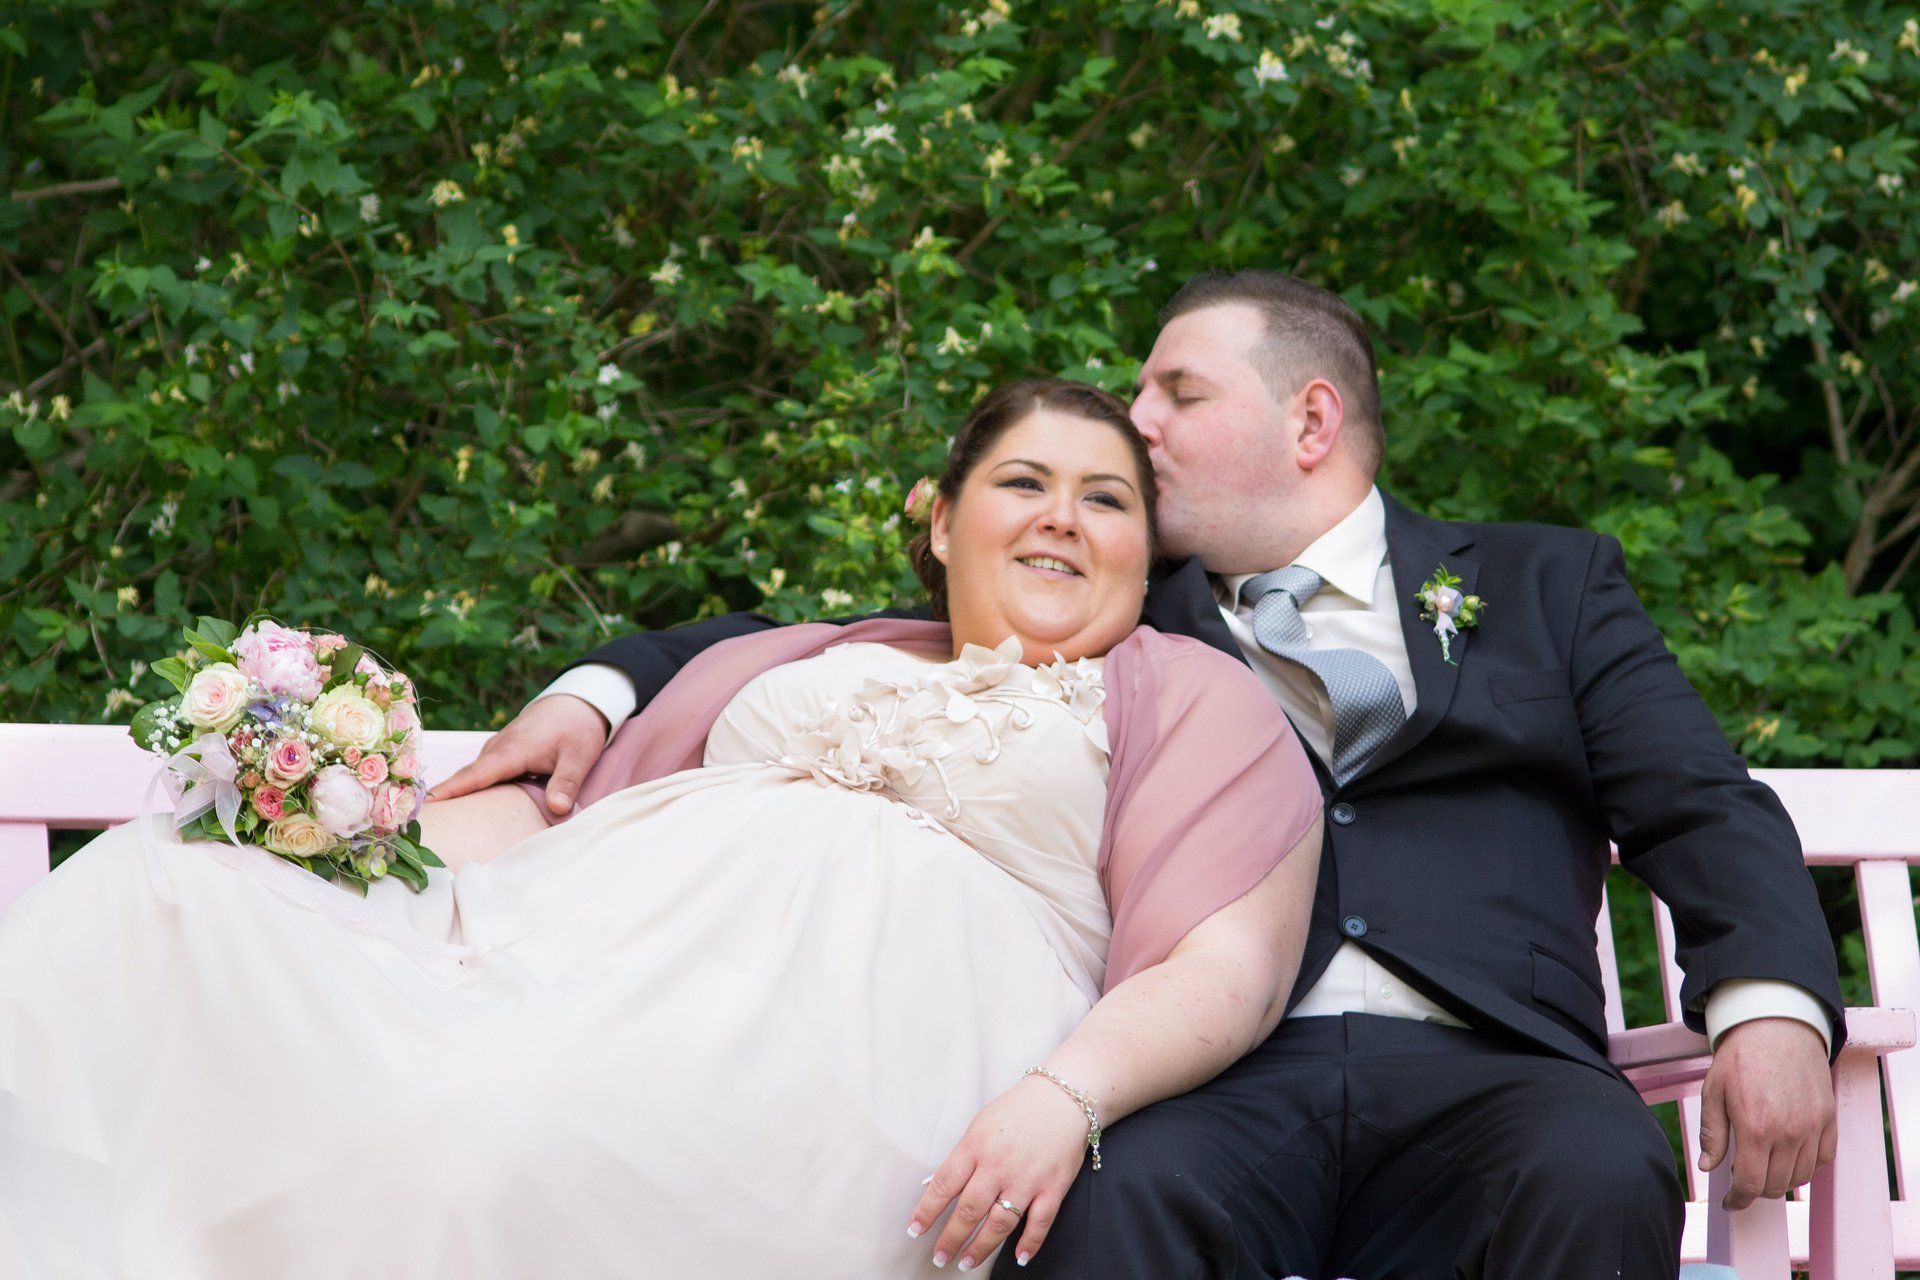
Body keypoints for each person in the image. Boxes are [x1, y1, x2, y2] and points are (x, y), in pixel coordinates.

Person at [442, 272, 1846, 1279]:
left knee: (1597, 1177)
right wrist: (601, 682)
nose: (1137, 424)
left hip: (1494, 1073)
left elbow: (1701, 802)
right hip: (1217, 1073)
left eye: (1175, 390)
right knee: (1095, 1212)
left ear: (1310, 422)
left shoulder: (1544, 583)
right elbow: (830, 634)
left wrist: (1770, 1005)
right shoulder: (1116, 600)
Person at [0, 379, 1322, 1280]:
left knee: (506, 1130)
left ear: (1149, 557)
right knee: (177, 888)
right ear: (940, 517)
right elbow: (552, 825)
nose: (1062, 518)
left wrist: (1062, 1097)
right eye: (1024, 481)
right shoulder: (809, 655)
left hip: (852, 1044)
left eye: (1107, 500)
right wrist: (340, 838)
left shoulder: (1190, 697)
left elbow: (1229, 968)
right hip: (586, 957)